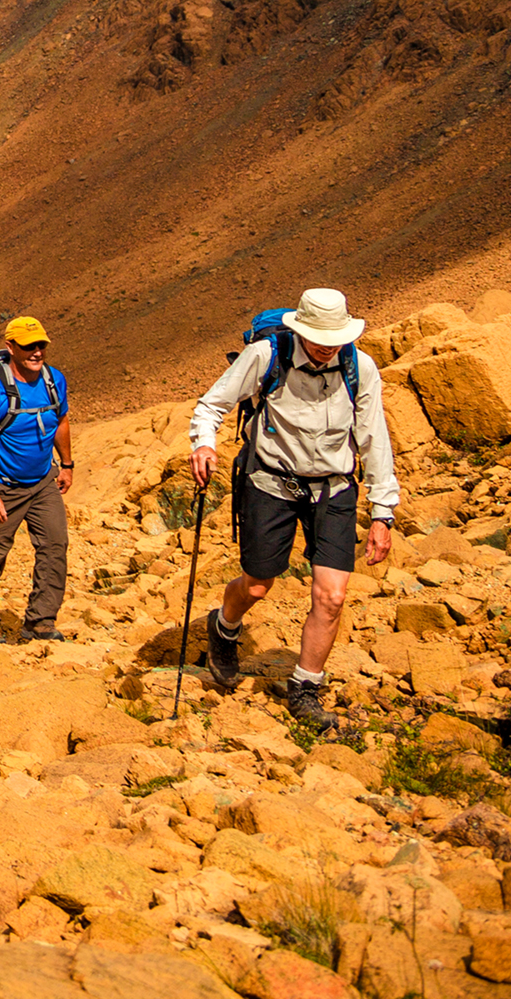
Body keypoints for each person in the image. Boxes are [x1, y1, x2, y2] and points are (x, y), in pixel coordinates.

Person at [188, 287, 398, 728]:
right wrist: (204, 445)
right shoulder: (267, 356)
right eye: (319, 337)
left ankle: (305, 688)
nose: (327, 346)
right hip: (271, 482)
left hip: (334, 488)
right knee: (259, 584)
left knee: (332, 595)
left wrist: (383, 511)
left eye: (335, 337)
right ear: (300, 330)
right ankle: (224, 626)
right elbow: (212, 405)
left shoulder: (360, 367)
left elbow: (374, 437)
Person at [0, 315, 73, 643]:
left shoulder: (55, 380)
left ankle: (40, 622)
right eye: (29, 347)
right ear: (10, 347)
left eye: (41, 345)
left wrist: (67, 464)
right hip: (1, 484)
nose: (37, 352)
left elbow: (61, 420)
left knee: (55, 547)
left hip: (42, 482)